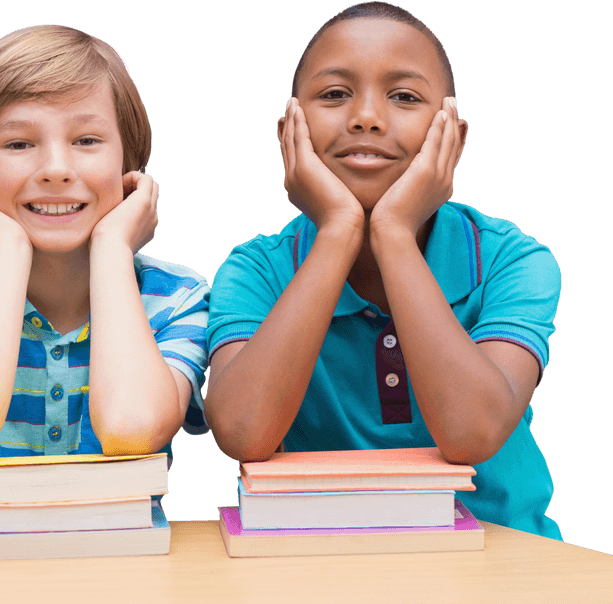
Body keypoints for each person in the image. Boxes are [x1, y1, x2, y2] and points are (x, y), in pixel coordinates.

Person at [205, 1, 561, 538]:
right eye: (334, 94)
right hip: (321, 564)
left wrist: (393, 232)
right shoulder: (255, 270)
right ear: (289, 133)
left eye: (404, 96)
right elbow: (242, 432)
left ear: (454, 140)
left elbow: (471, 433)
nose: (366, 117)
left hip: (504, 561)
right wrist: (338, 232)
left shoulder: (513, 261)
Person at [0, 25, 210, 498]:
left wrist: (112, 247)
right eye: (19, 144)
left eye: (87, 140)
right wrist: (6, 253)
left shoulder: (178, 298)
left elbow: (132, 428)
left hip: (131, 565)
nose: (56, 169)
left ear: (131, 166)